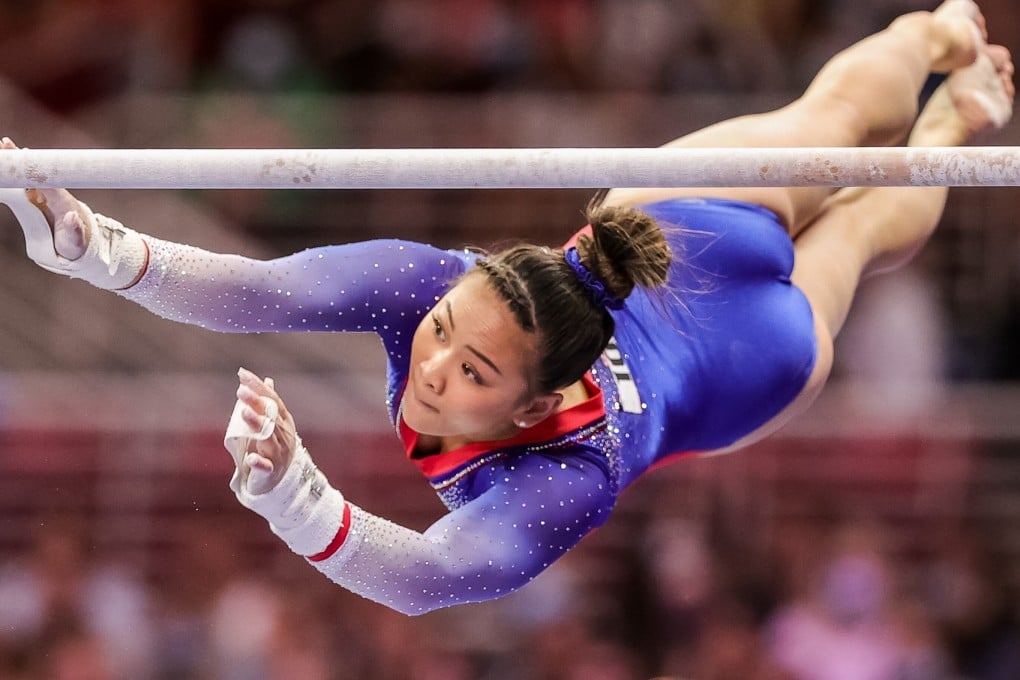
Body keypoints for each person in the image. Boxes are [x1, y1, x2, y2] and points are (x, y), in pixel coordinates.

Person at [0, 0, 1013, 616]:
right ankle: (947, 93)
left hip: (691, 256)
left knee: (836, 133)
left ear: (535, 401)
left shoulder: (560, 454)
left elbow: (423, 575)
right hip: (740, 358)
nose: (434, 367)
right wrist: (96, 250)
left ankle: (935, 62)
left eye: (472, 370)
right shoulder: (515, 402)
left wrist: (291, 495)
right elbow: (265, 292)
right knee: (861, 217)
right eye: (446, 337)